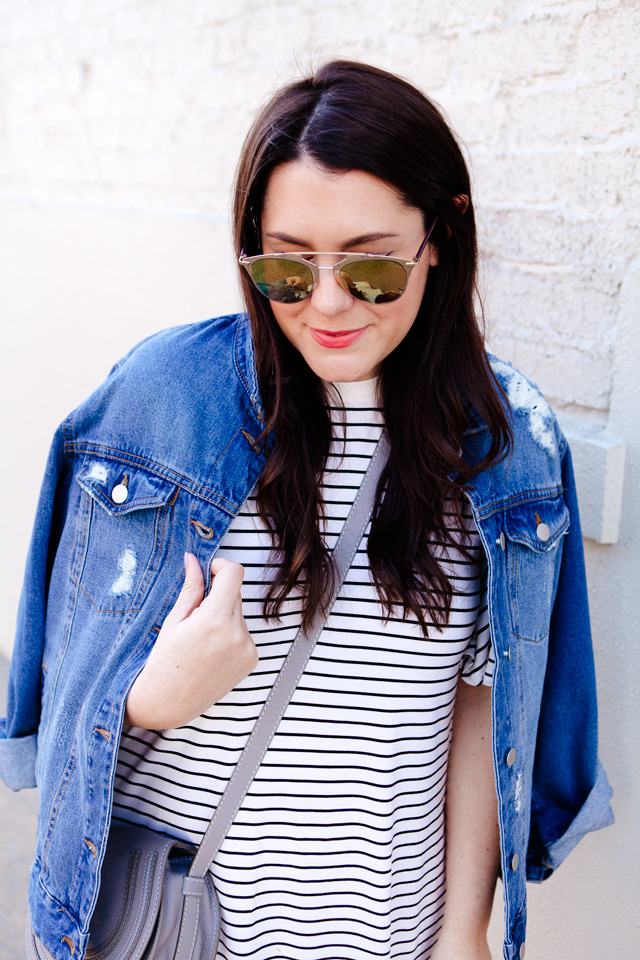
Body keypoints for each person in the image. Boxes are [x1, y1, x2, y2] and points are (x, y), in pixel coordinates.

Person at [0, 60, 613, 960]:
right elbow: (64, 677)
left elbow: (483, 704)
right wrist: (148, 698)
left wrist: (462, 931)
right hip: (176, 931)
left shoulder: (507, 443)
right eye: (287, 265)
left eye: (369, 267)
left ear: (439, 236)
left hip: (388, 937)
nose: (325, 303)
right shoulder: (161, 403)